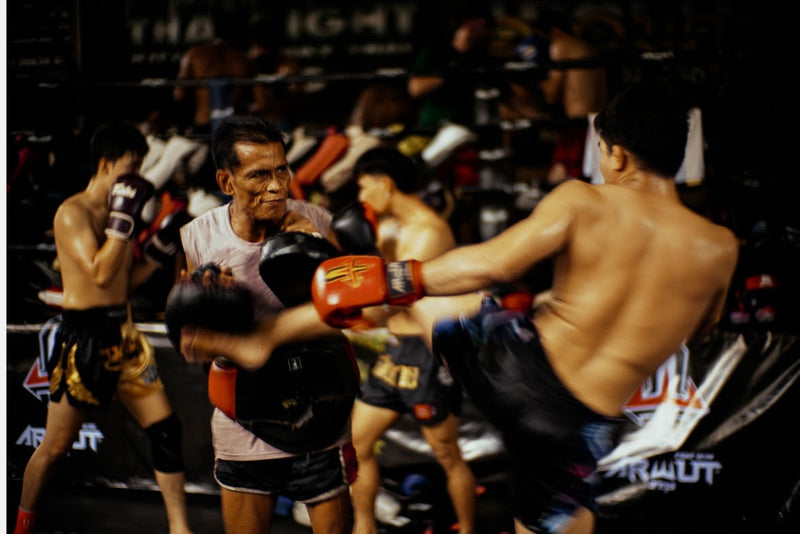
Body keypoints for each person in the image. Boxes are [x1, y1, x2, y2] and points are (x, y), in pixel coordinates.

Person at [309, 83, 739, 534]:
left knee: (440, 297)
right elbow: (696, 337)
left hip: (525, 378)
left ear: (616, 154)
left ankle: (257, 339)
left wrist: (389, 279)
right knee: (560, 515)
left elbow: (494, 263)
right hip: (597, 423)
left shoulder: (585, 199)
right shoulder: (721, 247)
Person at [175, 115, 358, 534]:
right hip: (245, 420)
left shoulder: (317, 219)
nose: (277, 186)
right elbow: (189, 339)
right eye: (259, 175)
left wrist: (316, 251)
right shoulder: (197, 238)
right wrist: (211, 303)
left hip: (321, 414)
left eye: (282, 170)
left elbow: (357, 313)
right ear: (227, 182)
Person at [14, 122, 195, 534]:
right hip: (84, 339)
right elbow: (98, 274)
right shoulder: (72, 213)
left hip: (124, 335)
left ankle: (179, 528)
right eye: (131, 167)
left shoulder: (120, 213)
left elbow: (122, 283)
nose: (138, 178)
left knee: (166, 431)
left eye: (140, 168)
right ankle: (22, 527)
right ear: (106, 164)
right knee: (55, 447)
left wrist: (155, 254)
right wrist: (123, 223)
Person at [342, 147, 476, 534]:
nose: (362, 197)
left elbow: (388, 301)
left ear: (386, 183)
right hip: (394, 350)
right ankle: (364, 528)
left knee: (447, 454)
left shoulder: (429, 232)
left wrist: (352, 310)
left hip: (427, 353)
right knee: (357, 444)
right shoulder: (386, 226)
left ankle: (467, 529)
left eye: (365, 187)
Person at [512, 8, 608, 185]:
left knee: (558, 180)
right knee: (589, 181)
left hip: (578, 125)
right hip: (599, 121)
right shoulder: (587, 47)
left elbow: (551, 95)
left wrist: (536, 76)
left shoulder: (560, 44)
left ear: (554, 31)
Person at [173, 13, 252, 137]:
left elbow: (179, 94)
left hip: (203, 123)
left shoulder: (193, 55)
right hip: (233, 128)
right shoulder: (243, 59)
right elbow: (258, 101)